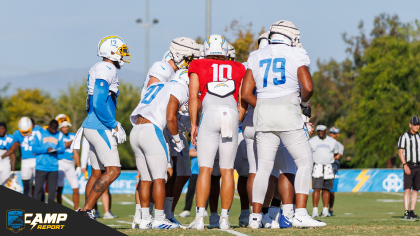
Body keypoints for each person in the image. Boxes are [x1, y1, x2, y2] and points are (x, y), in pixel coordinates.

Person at [241, 20, 325, 228]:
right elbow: (308, 86)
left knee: (264, 169)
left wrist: (265, 104)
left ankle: (255, 218)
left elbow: (245, 93)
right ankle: (300, 213)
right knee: (305, 162)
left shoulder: (256, 55)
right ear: (291, 36)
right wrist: (301, 101)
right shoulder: (296, 53)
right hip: (288, 110)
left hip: (263, 113)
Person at [187, 34, 246, 230]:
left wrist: (194, 124)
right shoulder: (239, 67)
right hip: (230, 113)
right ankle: (224, 219)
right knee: (227, 169)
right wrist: (237, 118)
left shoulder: (197, 65)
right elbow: (242, 98)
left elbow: (193, 98)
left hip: (210, 113)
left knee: (205, 168)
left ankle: (199, 219)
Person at [72, 35, 130, 219]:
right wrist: (113, 125)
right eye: (120, 50)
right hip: (100, 126)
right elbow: (98, 102)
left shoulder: (101, 67)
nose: (123, 54)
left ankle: (86, 209)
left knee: (97, 172)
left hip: (92, 125)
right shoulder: (106, 67)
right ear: (111, 52)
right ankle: (86, 211)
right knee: (113, 170)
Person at [129, 71, 190, 229]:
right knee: (160, 177)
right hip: (152, 130)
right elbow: (170, 118)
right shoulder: (179, 88)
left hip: (136, 130)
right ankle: (159, 219)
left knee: (145, 178)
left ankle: (145, 219)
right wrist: (178, 141)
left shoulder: (156, 86)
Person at [1, 117, 41, 196]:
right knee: (26, 186)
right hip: (25, 161)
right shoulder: (17, 134)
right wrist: (1, 157)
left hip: (37, 160)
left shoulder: (39, 131)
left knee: (38, 186)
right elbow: (13, 148)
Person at [31, 119, 65, 203]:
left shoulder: (59, 135)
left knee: (52, 191)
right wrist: (46, 149)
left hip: (53, 167)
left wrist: (55, 150)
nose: (53, 131)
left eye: (55, 129)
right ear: (49, 126)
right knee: (38, 190)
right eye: (52, 129)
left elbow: (62, 149)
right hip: (41, 167)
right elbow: (34, 149)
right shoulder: (39, 133)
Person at [309, 125, 339, 218]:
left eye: (322, 131)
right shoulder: (312, 141)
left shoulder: (333, 141)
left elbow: (336, 153)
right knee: (316, 188)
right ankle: (315, 210)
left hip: (328, 167)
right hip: (317, 166)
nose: (320, 132)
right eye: (318, 131)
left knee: (326, 189)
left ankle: (325, 210)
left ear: (326, 131)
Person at [55, 114, 81, 210]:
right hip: (60, 163)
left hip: (70, 164)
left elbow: (75, 152)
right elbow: (62, 145)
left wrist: (78, 166)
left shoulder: (72, 135)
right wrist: (72, 141)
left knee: (76, 187)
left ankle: (76, 209)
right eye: (63, 126)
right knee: (59, 188)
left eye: (67, 126)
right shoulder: (57, 136)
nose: (65, 128)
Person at [398, 116, 420, 219]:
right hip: (409, 165)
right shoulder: (404, 137)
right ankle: (406, 212)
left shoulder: (419, 137)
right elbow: (400, 152)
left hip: (418, 165)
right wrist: (405, 165)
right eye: (414, 124)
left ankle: (412, 211)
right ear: (410, 125)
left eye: (418, 124)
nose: (416, 126)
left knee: (416, 190)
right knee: (407, 189)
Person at [179, 143, 209, 218]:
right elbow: (190, 153)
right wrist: (203, 153)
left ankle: (204, 209)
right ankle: (186, 210)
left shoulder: (209, 139)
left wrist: (197, 153)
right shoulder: (194, 141)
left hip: (205, 171)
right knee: (190, 191)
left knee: (205, 190)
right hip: (194, 171)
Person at [328, 126, 344, 216]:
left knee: (331, 191)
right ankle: (323, 209)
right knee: (322, 189)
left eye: (333, 133)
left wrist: (325, 157)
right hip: (323, 167)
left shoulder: (340, 145)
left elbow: (337, 156)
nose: (331, 134)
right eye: (330, 132)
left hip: (333, 168)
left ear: (337, 135)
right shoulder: (325, 143)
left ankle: (330, 209)